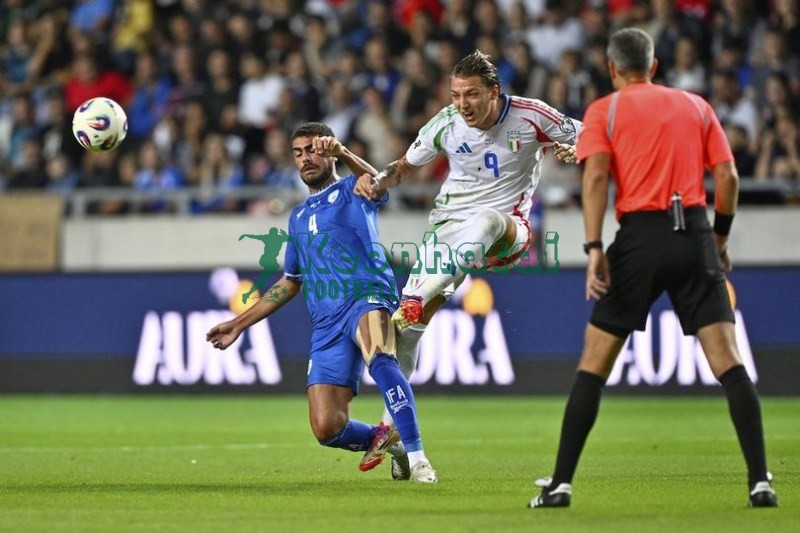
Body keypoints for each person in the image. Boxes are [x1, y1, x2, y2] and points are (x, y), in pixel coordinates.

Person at [529, 28, 777, 509]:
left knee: (593, 365)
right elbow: (728, 175)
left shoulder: (606, 110)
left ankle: (560, 485)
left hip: (639, 238)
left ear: (612, 68)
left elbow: (596, 174)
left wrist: (595, 246)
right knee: (729, 363)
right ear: (655, 66)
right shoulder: (697, 106)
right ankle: (760, 481)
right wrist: (719, 237)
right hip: (695, 234)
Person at [353, 50, 581, 465]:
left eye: (472, 94)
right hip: (448, 231)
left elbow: (588, 136)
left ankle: (426, 291)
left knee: (489, 219)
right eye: (456, 95)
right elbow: (404, 166)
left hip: (506, 231)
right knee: (407, 333)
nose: (462, 104)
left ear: (494, 92)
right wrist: (379, 179)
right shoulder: (446, 122)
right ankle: (394, 430)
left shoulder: (532, 116)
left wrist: (577, 150)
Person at [206, 122, 437, 483]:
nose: (305, 158)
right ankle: (391, 443)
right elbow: (290, 281)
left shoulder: (352, 188)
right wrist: (239, 323)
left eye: (312, 149)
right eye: (297, 153)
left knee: (380, 356)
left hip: (366, 295)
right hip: (326, 321)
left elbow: (380, 180)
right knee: (326, 427)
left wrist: (344, 153)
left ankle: (419, 457)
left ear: (326, 150)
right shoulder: (297, 218)